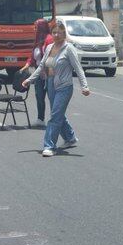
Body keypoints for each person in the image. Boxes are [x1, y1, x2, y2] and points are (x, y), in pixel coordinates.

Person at [22, 23, 90, 157]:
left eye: (59, 32)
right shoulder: (48, 47)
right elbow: (41, 66)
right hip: (50, 84)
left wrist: (84, 86)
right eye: (54, 32)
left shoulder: (69, 48)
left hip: (64, 86)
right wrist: (29, 79)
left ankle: (49, 146)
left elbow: (78, 68)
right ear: (51, 33)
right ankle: (70, 138)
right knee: (58, 114)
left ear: (64, 34)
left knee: (54, 116)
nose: (56, 35)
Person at [22, 18, 54, 126]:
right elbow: (32, 57)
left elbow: (52, 56)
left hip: (49, 74)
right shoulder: (37, 40)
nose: (34, 29)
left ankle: (56, 120)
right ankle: (41, 119)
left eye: (36, 27)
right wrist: (26, 66)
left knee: (52, 98)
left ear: (41, 27)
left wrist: (46, 69)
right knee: (39, 96)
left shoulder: (49, 39)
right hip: (39, 74)